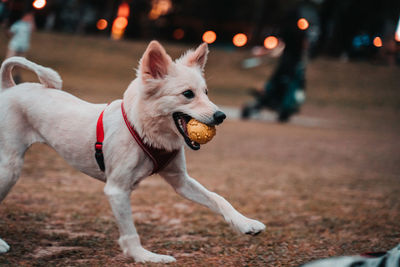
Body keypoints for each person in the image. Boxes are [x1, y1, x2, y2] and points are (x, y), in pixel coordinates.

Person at [242, 1, 320, 122]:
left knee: (278, 82)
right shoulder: (299, 32)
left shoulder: (286, 30)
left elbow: (279, 44)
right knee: (286, 83)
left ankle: (270, 101)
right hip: (293, 62)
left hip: (286, 62)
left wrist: (263, 51)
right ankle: (279, 103)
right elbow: (305, 46)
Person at [5, 11, 35, 83]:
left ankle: (17, 76)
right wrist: (6, 28)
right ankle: (5, 76)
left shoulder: (29, 25)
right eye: (29, 16)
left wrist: (32, 20)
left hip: (23, 46)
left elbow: (33, 29)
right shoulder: (18, 24)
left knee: (19, 63)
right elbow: (10, 33)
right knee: (9, 61)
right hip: (15, 45)